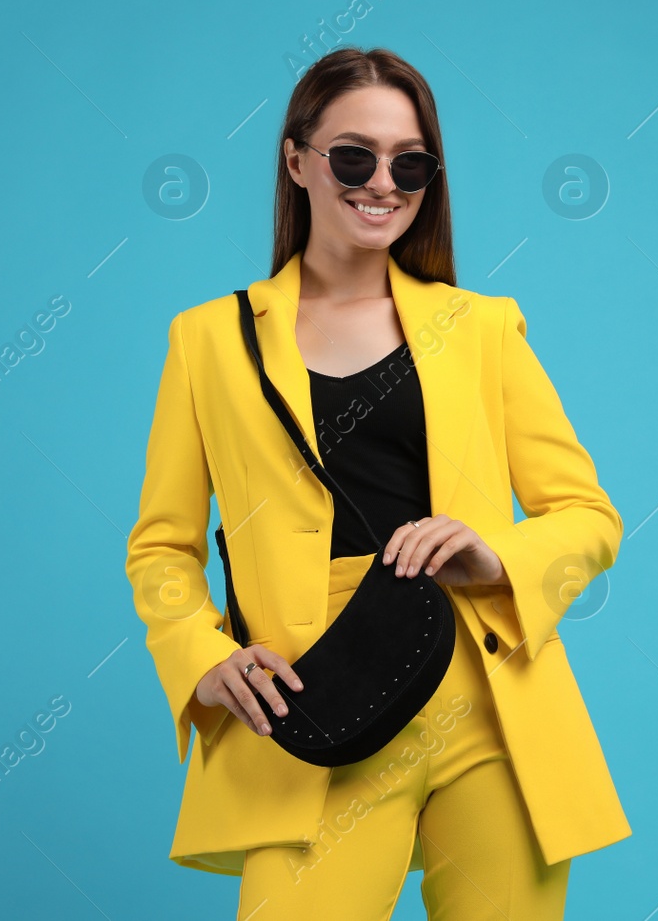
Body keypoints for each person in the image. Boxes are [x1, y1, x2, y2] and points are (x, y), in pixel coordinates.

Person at [125, 46, 629, 920]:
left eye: (411, 162)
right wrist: (203, 659)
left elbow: (589, 517)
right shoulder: (208, 341)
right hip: (323, 693)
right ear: (297, 161)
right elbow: (161, 545)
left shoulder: (482, 328)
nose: (382, 182)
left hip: (488, 701)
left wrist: (495, 554)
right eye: (353, 155)